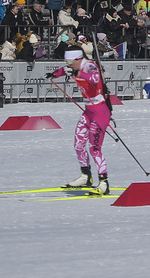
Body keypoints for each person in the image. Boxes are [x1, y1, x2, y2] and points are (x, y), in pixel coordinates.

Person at [52, 49, 112, 194]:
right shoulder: (73, 67)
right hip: (88, 111)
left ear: (78, 59)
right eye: (66, 61)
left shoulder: (89, 66)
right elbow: (63, 71)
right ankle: (86, 176)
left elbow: (95, 78)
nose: (68, 64)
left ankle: (104, 182)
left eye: (70, 61)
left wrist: (77, 73)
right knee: (78, 145)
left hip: (100, 111)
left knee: (94, 148)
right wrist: (53, 74)